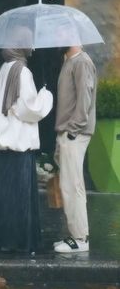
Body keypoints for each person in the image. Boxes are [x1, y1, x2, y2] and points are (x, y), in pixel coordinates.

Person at [0, 46, 53, 254]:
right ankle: (20, 242)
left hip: (2, 145)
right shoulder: (22, 72)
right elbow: (28, 109)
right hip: (18, 144)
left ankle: (1, 240)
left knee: (4, 197)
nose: (32, 47)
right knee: (20, 197)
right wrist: (46, 97)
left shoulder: (4, 68)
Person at [53, 46, 97, 253]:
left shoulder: (81, 62)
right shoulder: (69, 61)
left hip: (74, 133)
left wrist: (72, 131)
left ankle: (80, 238)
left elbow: (84, 99)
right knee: (68, 185)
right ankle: (76, 235)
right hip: (68, 132)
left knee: (73, 185)